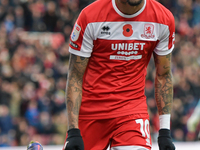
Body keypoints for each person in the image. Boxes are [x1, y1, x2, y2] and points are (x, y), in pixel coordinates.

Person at [63, 0, 176, 150]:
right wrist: (73, 130)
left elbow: (164, 75)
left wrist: (165, 131)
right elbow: (75, 76)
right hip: (91, 113)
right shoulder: (90, 16)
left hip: (132, 111)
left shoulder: (163, 19)